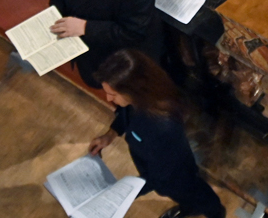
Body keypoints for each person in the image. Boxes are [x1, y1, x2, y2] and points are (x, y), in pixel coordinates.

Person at [88, 49, 225, 218]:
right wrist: (110, 134)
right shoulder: (139, 100)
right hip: (155, 165)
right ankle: (190, 207)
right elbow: (126, 114)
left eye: (113, 94)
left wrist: (124, 193)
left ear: (134, 90)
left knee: (194, 193)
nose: (108, 99)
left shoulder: (162, 125)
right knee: (180, 195)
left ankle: (215, 212)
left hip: (175, 175)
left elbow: (160, 175)